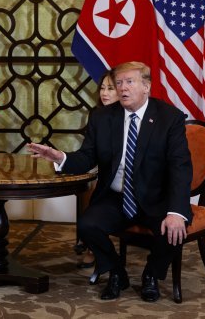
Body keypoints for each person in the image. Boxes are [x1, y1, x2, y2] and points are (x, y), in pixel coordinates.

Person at [28, 61, 192, 301]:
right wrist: (60, 157)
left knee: (175, 229)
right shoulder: (102, 117)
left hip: (156, 197)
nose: (122, 88)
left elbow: (180, 167)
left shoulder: (169, 118)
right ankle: (116, 271)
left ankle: (151, 274)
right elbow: (87, 157)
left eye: (129, 82)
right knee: (88, 225)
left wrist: (176, 211)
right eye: (119, 83)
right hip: (116, 197)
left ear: (146, 86)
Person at [76, 69, 119, 272]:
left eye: (110, 88)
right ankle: (91, 243)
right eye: (102, 88)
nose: (105, 93)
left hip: (123, 173)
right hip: (100, 167)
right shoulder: (97, 114)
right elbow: (89, 151)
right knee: (89, 188)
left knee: (98, 189)